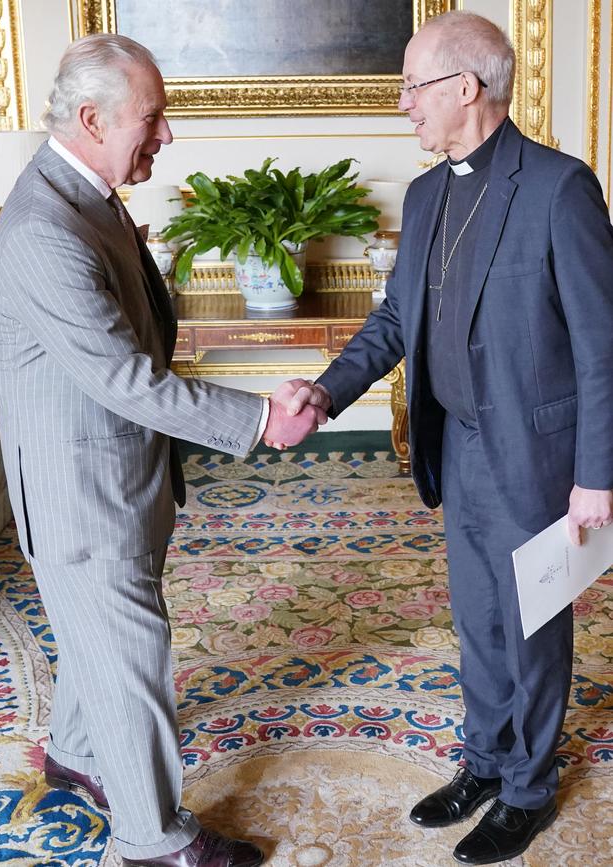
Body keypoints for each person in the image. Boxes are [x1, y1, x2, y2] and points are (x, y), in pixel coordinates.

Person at [271, 10, 613, 866]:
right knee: (477, 620)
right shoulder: (427, 195)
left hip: (537, 455)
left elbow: (606, 346)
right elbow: (396, 319)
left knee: (531, 624)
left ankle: (530, 788)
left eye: (413, 86)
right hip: (457, 447)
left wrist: (597, 477)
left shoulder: (560, 188)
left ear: (467, 87)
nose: (402, 106)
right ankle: (486, 762)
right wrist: (327, 387)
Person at [0, 33, 324, 867]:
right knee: (132, 657)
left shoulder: (87, 195)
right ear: (93, 118)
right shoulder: (44, 229)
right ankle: (152, 837)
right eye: (154, 116)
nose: (166, 135)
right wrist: (256, 420)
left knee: (99, 632)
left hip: (112, 475)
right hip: (81, 492)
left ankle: (75, 751)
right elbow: (129, 380)